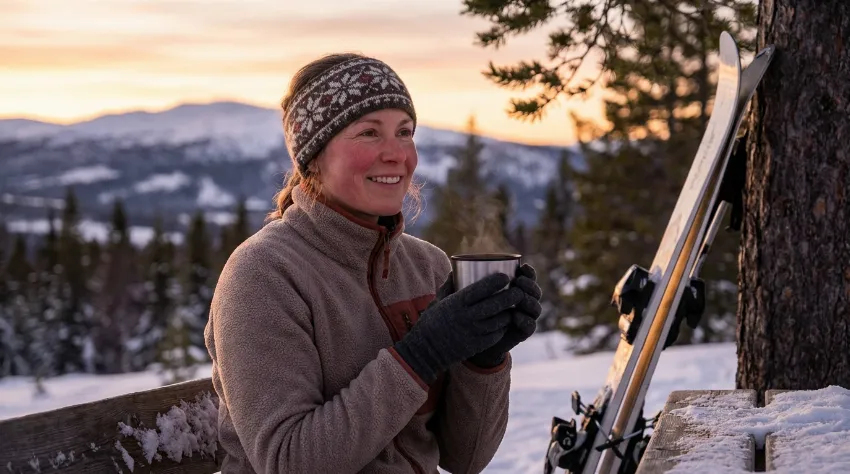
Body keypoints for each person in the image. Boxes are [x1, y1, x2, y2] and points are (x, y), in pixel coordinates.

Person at [204, 52, 543, 474]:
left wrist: (484, 359)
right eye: (369, 133)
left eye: (405, 132)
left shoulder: (426, 265)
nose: (396, 153)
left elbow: (466, 459)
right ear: (314, 157)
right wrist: (420, 355)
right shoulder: (263, 274)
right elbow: (289, 460)